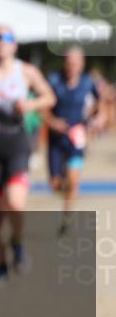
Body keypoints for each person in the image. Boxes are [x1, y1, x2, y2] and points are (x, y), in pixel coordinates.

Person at [0, 27, 55, 286]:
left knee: (16, 204)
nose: (1, 44)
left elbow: (50, 97)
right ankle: (2, 264)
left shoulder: (26, 71)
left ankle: (17, 242)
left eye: (7, 39)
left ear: (14, 45)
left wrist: (28, 105)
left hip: (17, 140)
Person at [44, 46, 102, 235]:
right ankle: (64, 188)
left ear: (82, 64)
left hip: (76, 138)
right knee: (55, 185)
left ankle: (67, 217)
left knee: (74, 180)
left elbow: (100, 103)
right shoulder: (54, 80)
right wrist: (52, 122)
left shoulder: (88, 82)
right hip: (56, 140)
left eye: (76, 63)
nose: (72, 66)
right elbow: (42, 106)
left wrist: (95, 118)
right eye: (69, 62)